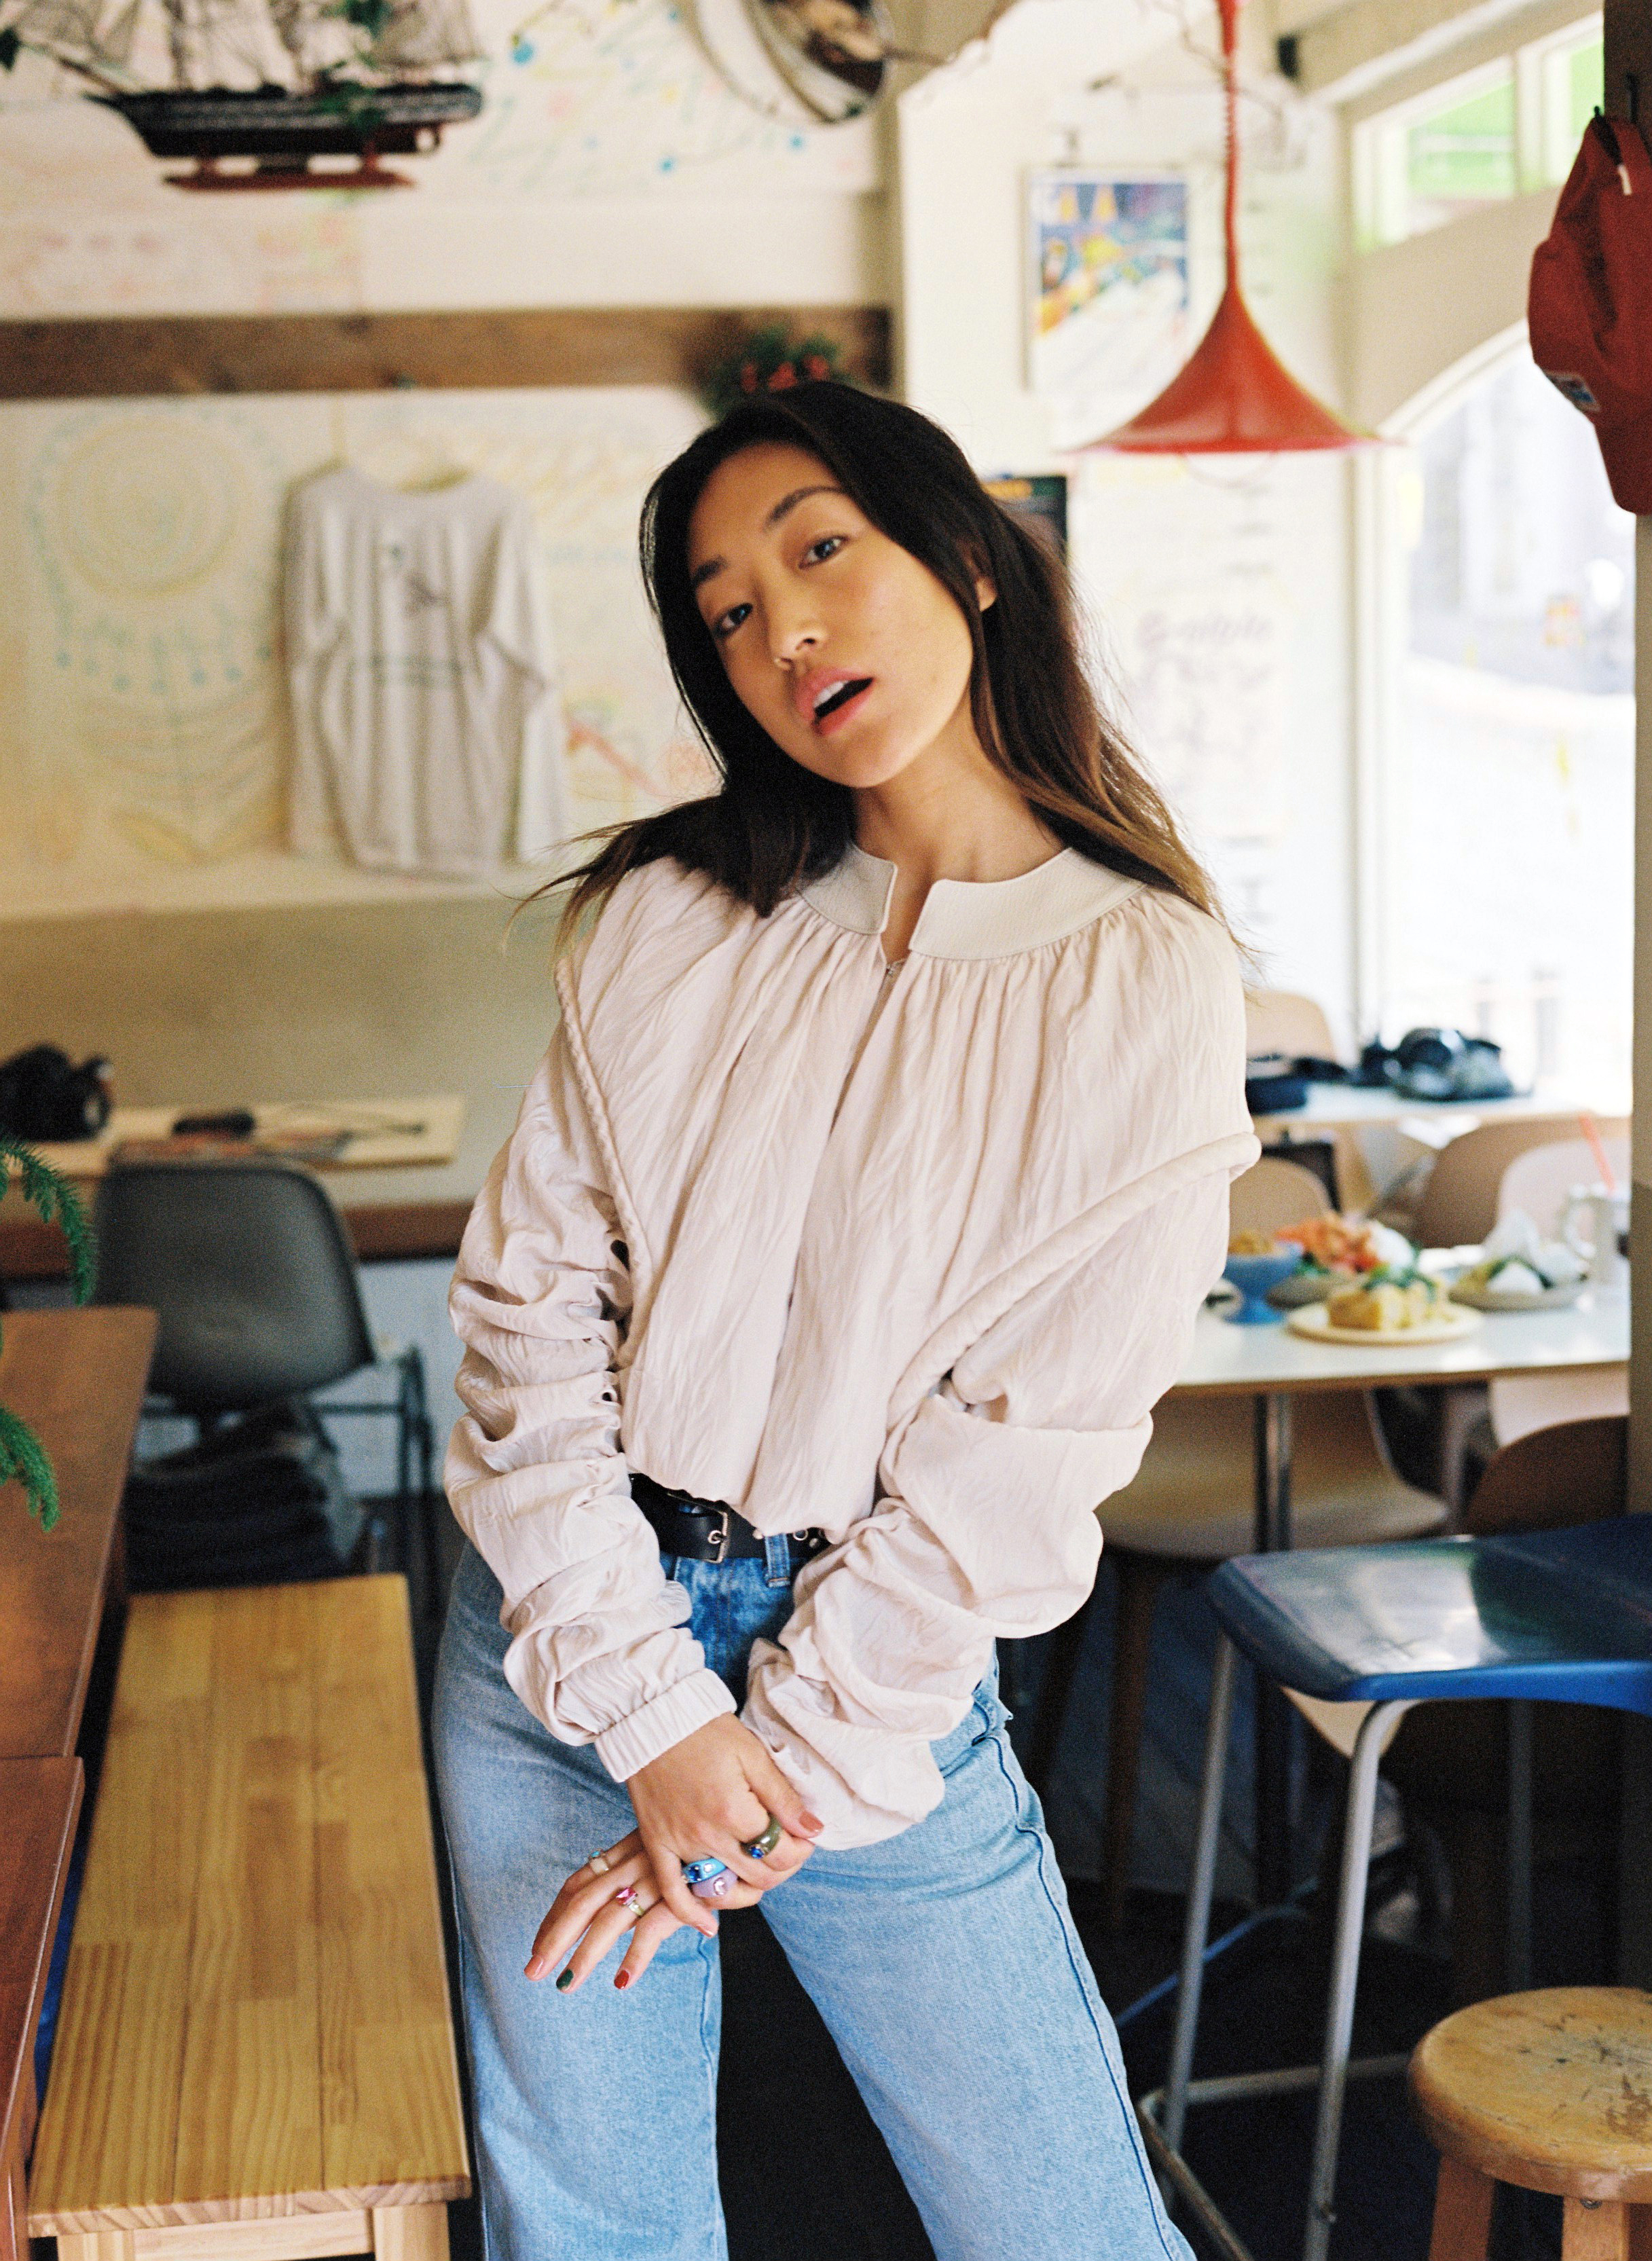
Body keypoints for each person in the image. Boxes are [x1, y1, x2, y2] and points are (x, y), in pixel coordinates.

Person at [433, 381, 1259, 2261]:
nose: (784, 630)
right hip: (561, 1632)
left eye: (820, 551)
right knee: (602, 2230)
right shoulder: (667, 912)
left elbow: (1025, 1449)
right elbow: (528, 1318)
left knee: (1064, 2228)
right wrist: (652, 1714)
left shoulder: (1142, 977)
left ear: (967, 558)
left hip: (871, 1660)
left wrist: (768, 1765)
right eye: (728, 610)